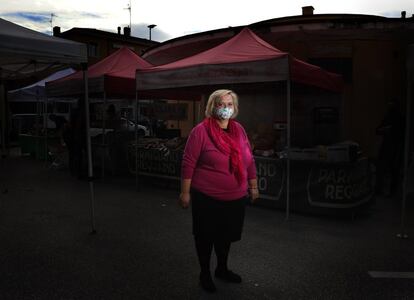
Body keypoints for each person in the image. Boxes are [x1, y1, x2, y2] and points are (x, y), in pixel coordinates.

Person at [179, 89, 259, 293]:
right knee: (205, 236)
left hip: (235, 196)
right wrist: (185, 192)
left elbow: (248, 158)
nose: (225, 108)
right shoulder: (200, 131)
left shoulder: (239, 129)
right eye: (221, 104)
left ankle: (222, 269)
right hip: (206, 196)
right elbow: (188, 162)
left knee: (226, 236)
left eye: (229, 104)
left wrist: (253, 185)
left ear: (235, 108)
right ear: (212, 107)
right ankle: (204, 273)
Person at [375, 101, 405, 196]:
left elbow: (401, 134)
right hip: (387, 147)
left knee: (393, 170)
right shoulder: (389, 117)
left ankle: (390, 191)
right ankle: (381, 190)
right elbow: (377, 130)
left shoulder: (399, 119)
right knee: (383, 168)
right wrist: (384, 130)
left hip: (394, 147)